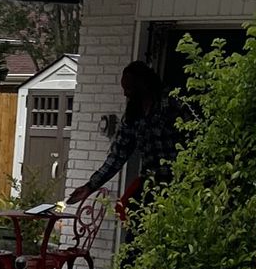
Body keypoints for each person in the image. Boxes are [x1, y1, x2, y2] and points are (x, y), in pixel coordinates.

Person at [69, 60, 179, 214]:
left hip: (178, 181)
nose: (125, 93)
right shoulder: (133, 114)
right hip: (151, 181)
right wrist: (90, 186)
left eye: (129, 88)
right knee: (133, 218)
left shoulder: (170, 103)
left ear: (143, 84)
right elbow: (117, 156)